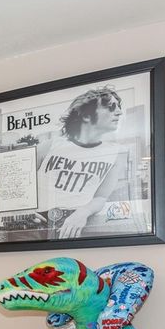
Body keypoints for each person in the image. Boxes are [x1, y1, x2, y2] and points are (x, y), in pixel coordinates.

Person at [36, 86, 129, 239]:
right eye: (111, 107)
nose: (119, 112)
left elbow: (101, 197)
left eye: (119, 107)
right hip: (36, 226)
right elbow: (16, 184)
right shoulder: (50, 146)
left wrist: (83, 212)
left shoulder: (115, 153)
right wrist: (20, 212)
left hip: (76, 226)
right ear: (86, 115)